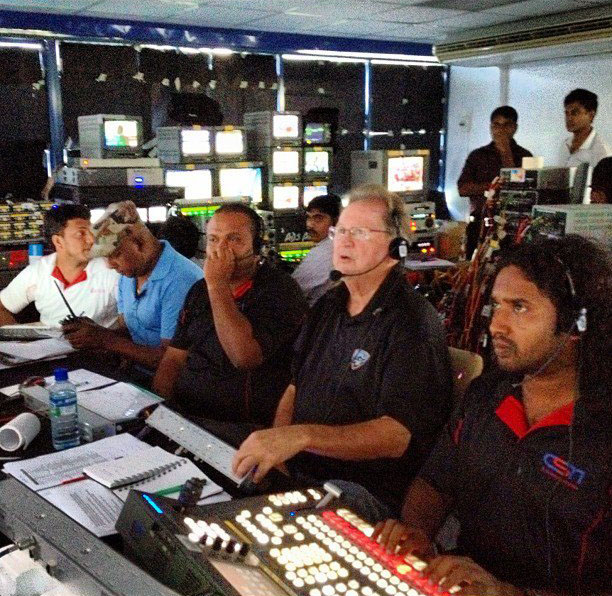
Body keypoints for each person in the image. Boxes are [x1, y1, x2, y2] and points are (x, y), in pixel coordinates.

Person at [373, 235, 611, 596]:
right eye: (496, 305)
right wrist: (418, 535)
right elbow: (435, 482)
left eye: (520, 307)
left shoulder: (601, 429)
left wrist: (509, 593)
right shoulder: (486, 395)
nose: (497, 325)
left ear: (576, 323)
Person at [233, 186, 453, 516]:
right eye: (341, 231)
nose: (344, 242)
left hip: (363, 491)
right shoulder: (329, 305)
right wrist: (280, 448)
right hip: (303, 474)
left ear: (396, 248)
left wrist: (302, 437)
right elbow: (295, 387)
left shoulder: (412, 323)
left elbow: (397, 435)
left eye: (360, 232)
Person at [152, 203, 307, 426]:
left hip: (243, 425)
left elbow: (244, 357)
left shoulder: (280, 290)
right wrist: (159, 412)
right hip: (188, 417)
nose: (220, 249)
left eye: (234, 239)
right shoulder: (199, 291)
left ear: (256, 247)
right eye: (213, 239)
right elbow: (174, 358)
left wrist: (217, 285)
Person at [62, 201, 202, 369]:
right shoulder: (129, 274)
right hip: (137, 372)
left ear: (139, 244)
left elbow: (170, 361)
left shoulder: (180, 280)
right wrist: (94, 333)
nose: (109, 265)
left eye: (115, 255)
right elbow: (129, 333)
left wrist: (104, 339)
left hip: (173, 379)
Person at [0, 204, 119, 328]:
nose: (91, 240)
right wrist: (18, 335)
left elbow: (128, 323)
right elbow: (2, 307)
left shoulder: (111, 270)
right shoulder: (38, 272)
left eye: (91, 232)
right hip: (49, 340)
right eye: (81, 234)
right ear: (58, 241)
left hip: (100, 340)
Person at [458, 106, 532, 258]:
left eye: (506, 125)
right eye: (496, 125)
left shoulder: (525, 156)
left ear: (514, 128)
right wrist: (494, 187)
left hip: (512, 227)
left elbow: (522, 188)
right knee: (475, 265)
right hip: (481, 224)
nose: (500, 130)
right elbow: (463, 188)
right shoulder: (478, 156)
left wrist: (506, 153)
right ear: (491, 127)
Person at [292, 193, 341, 306]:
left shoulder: (323, 252)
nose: (309, 225)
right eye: (308, 217)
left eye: (318, 218)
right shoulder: (340, 244)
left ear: (336, 221)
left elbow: (291, 292)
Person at [561, 88, 611, 169]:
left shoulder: (602, 153)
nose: (569, 118)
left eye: (574, 113)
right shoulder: (565, 145)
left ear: (591, 116)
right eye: (567, 113)